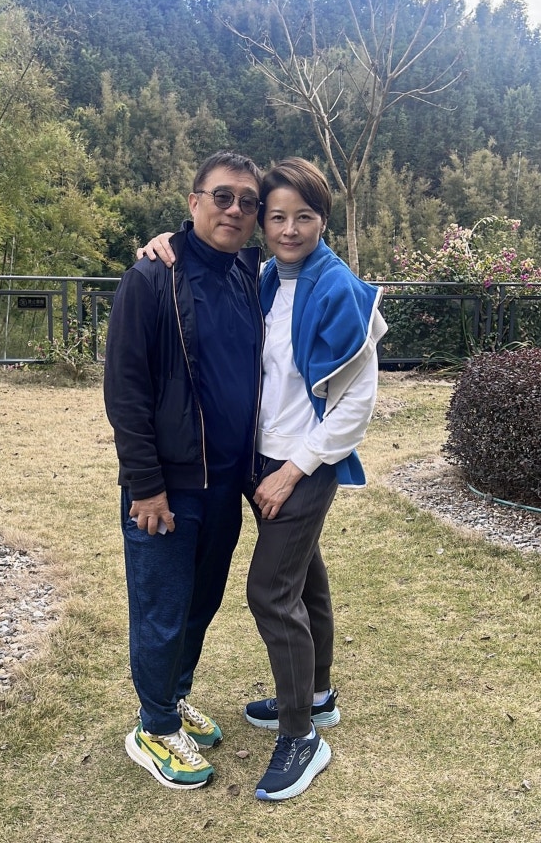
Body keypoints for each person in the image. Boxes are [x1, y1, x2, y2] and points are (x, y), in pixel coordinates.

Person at [141, 157, 387, 802]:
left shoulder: (340, 292)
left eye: (303, 216)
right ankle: (318, 693)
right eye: (275, 216)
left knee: (270, 593)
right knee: (305, 576)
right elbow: (198, 255)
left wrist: (293, 471)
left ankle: (301, 735)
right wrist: (164, 242)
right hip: (255, 458)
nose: (288, 229)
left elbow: (355, 407)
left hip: (301, 464)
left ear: (323, 218)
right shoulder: (263, 277)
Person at [103, 151, 264, 791]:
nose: (235, 210)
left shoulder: (247, 272)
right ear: (194, 201)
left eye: (247, 201)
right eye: (222, 196)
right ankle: (154, 727)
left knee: (200, 602)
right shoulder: (151, 278)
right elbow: (126, 390)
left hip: (224, 481)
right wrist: (145, 485)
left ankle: (174, 695)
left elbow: (305, 235)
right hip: (167, 486)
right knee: (162, 609)